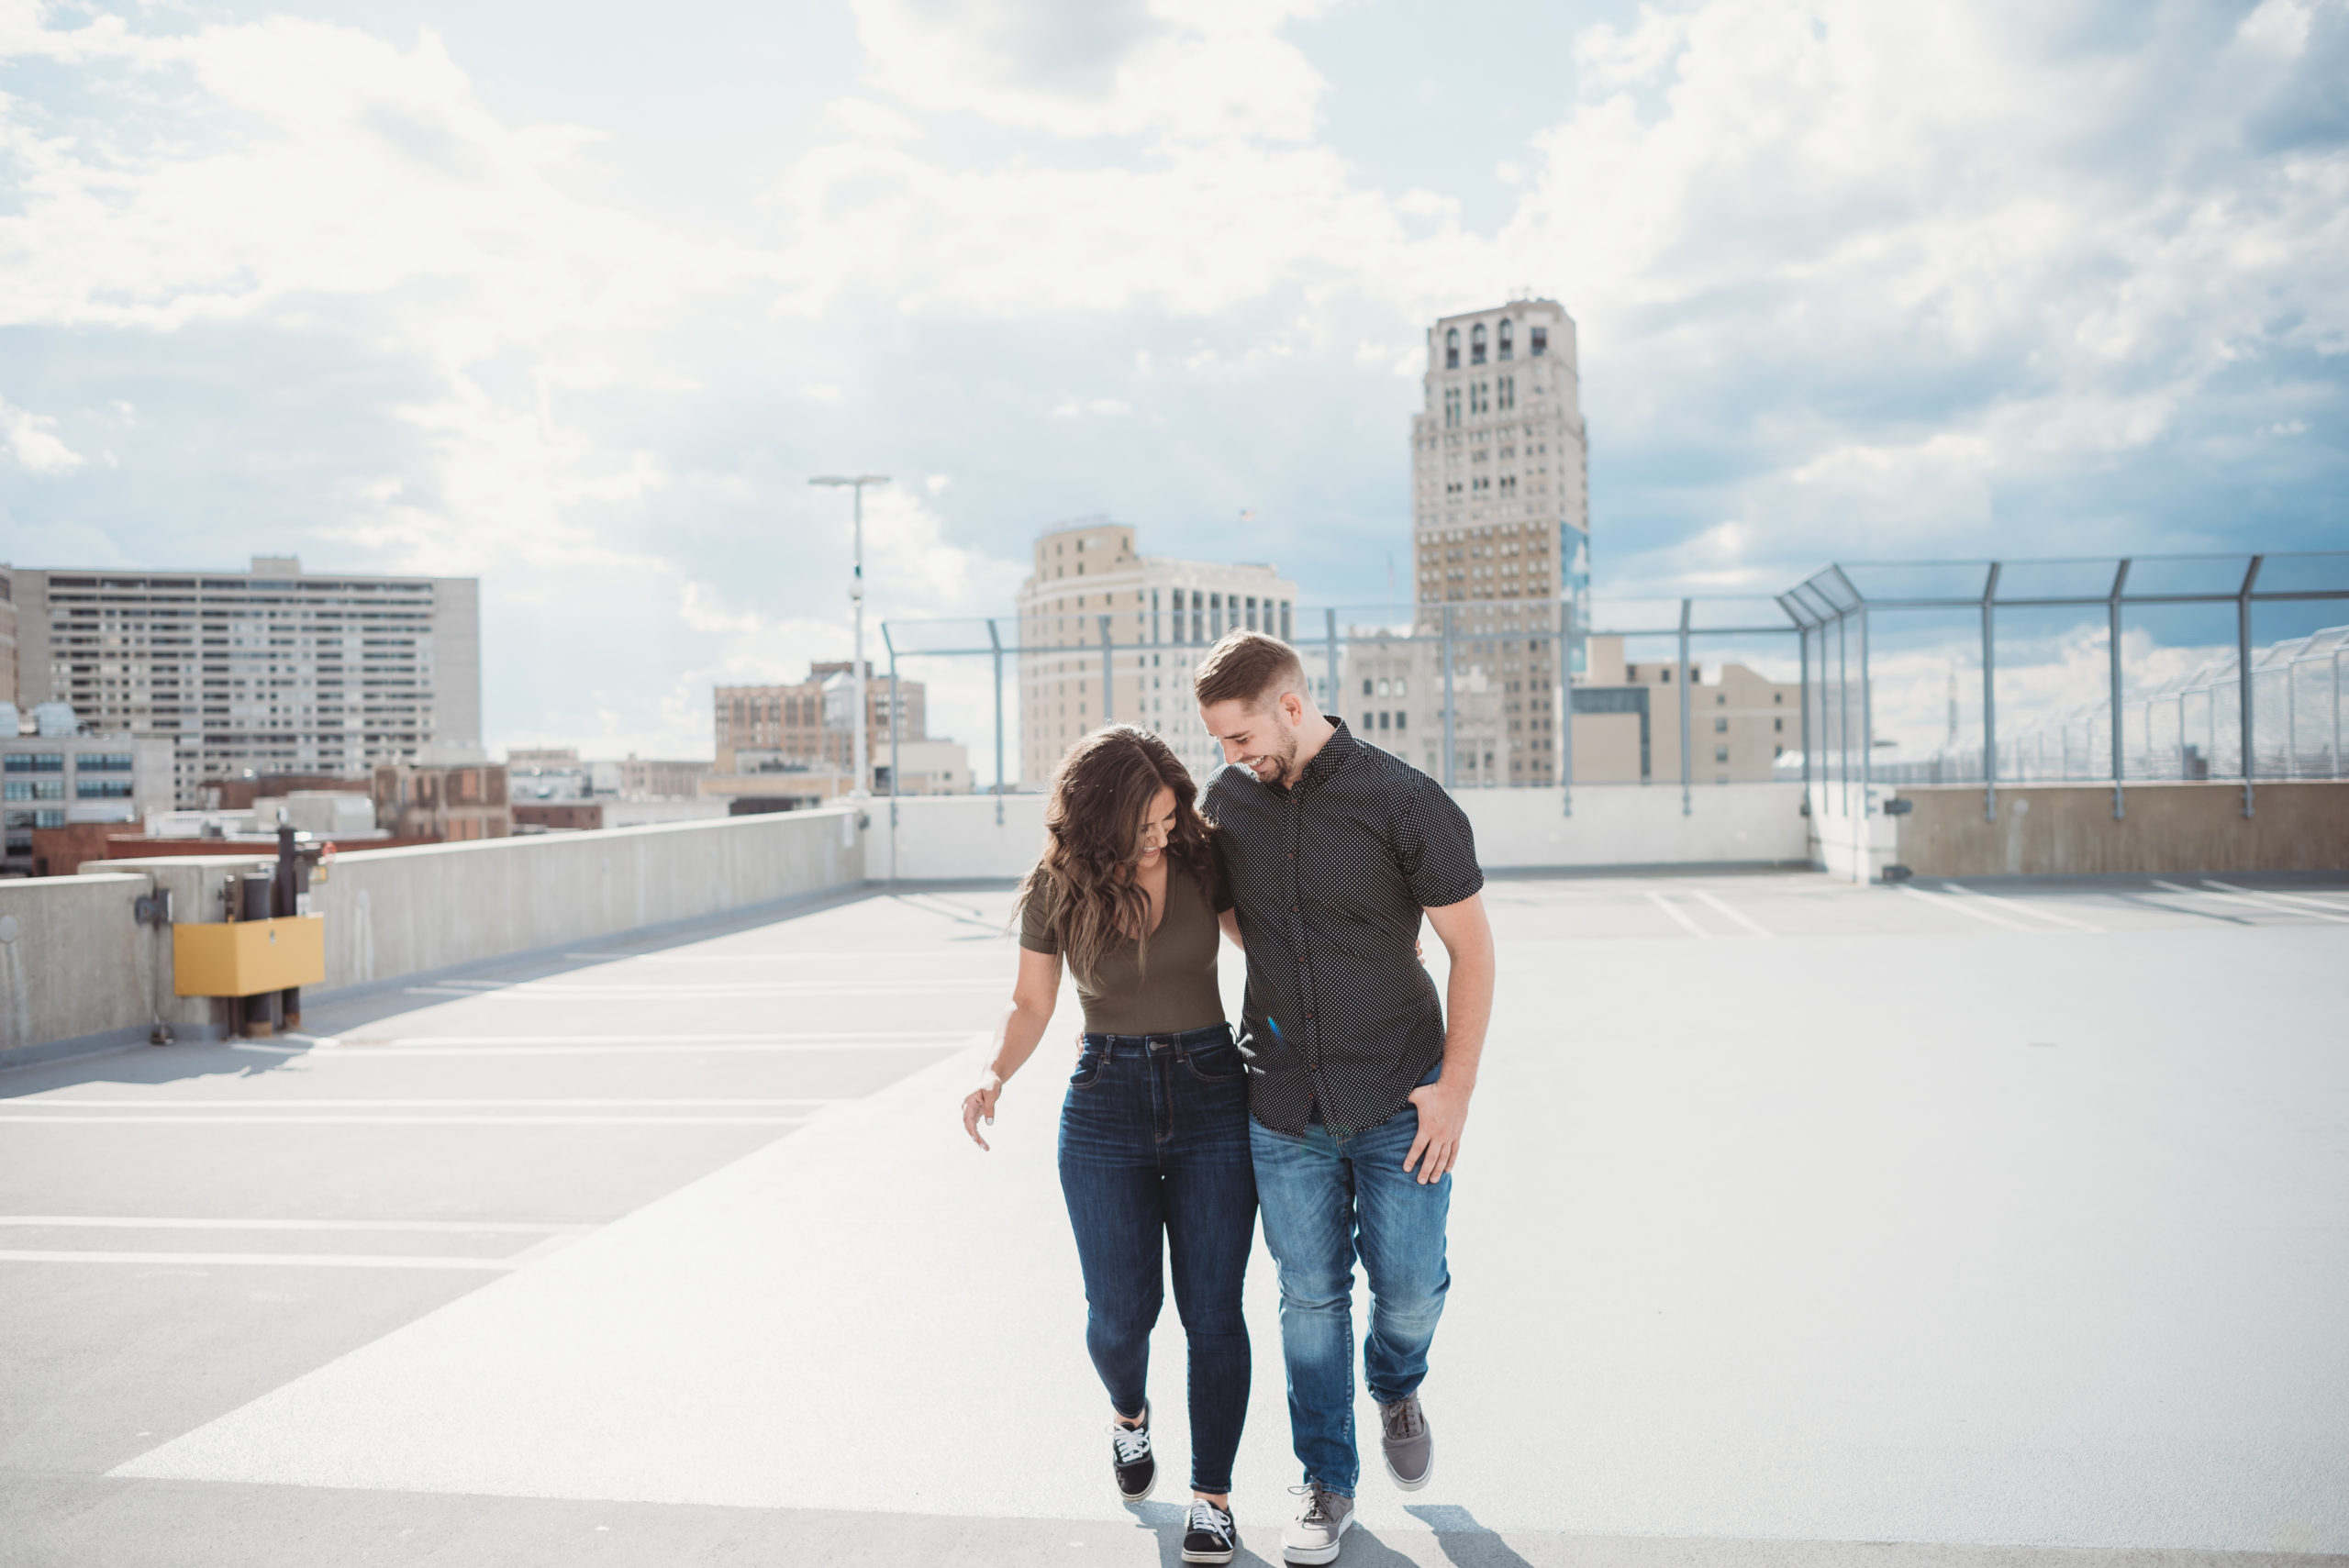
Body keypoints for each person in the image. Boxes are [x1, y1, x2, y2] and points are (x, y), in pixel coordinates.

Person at [1192, 630, 1495, 1568]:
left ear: (1290, 704)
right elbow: (1233, 916)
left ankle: (1396, 1380)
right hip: (1282, 1101)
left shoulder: (1406, 800)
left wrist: (1453, 1089)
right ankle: (1327, 1478)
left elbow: (1472, 951)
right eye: (1218, 742)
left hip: (1403, 1094)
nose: (1229, 757)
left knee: (1405, 1288)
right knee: (1309, 1298)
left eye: (1239, 735)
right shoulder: (1226, 803)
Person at [961, 725, 1253, 1566]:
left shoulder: (1203, 859)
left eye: (1171, 817)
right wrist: (993, 1074)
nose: (1163, 833)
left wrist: (1369, 955)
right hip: (1104, 1103)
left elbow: (1269, 945)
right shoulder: (1058, 885)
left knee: (1213, 1312)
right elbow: (1029, 1003)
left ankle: (1213, 1498)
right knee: (1121, 1317)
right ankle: (1130, 1418)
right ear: (1104, 814)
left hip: (1210, 1096)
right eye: (1149, 822)